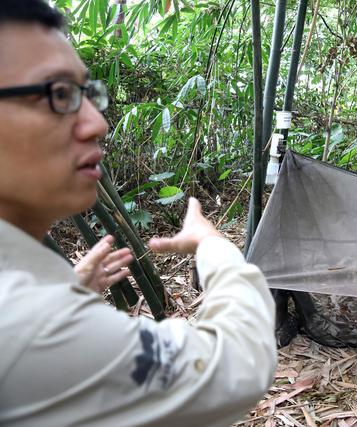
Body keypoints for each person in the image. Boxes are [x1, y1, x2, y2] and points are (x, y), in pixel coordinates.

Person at [0, 1, 277, 426]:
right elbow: (234, 365)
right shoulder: (28, 325)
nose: (97, 124)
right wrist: (214, 246)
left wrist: (66, 294)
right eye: (58, 94)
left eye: (86, 95)